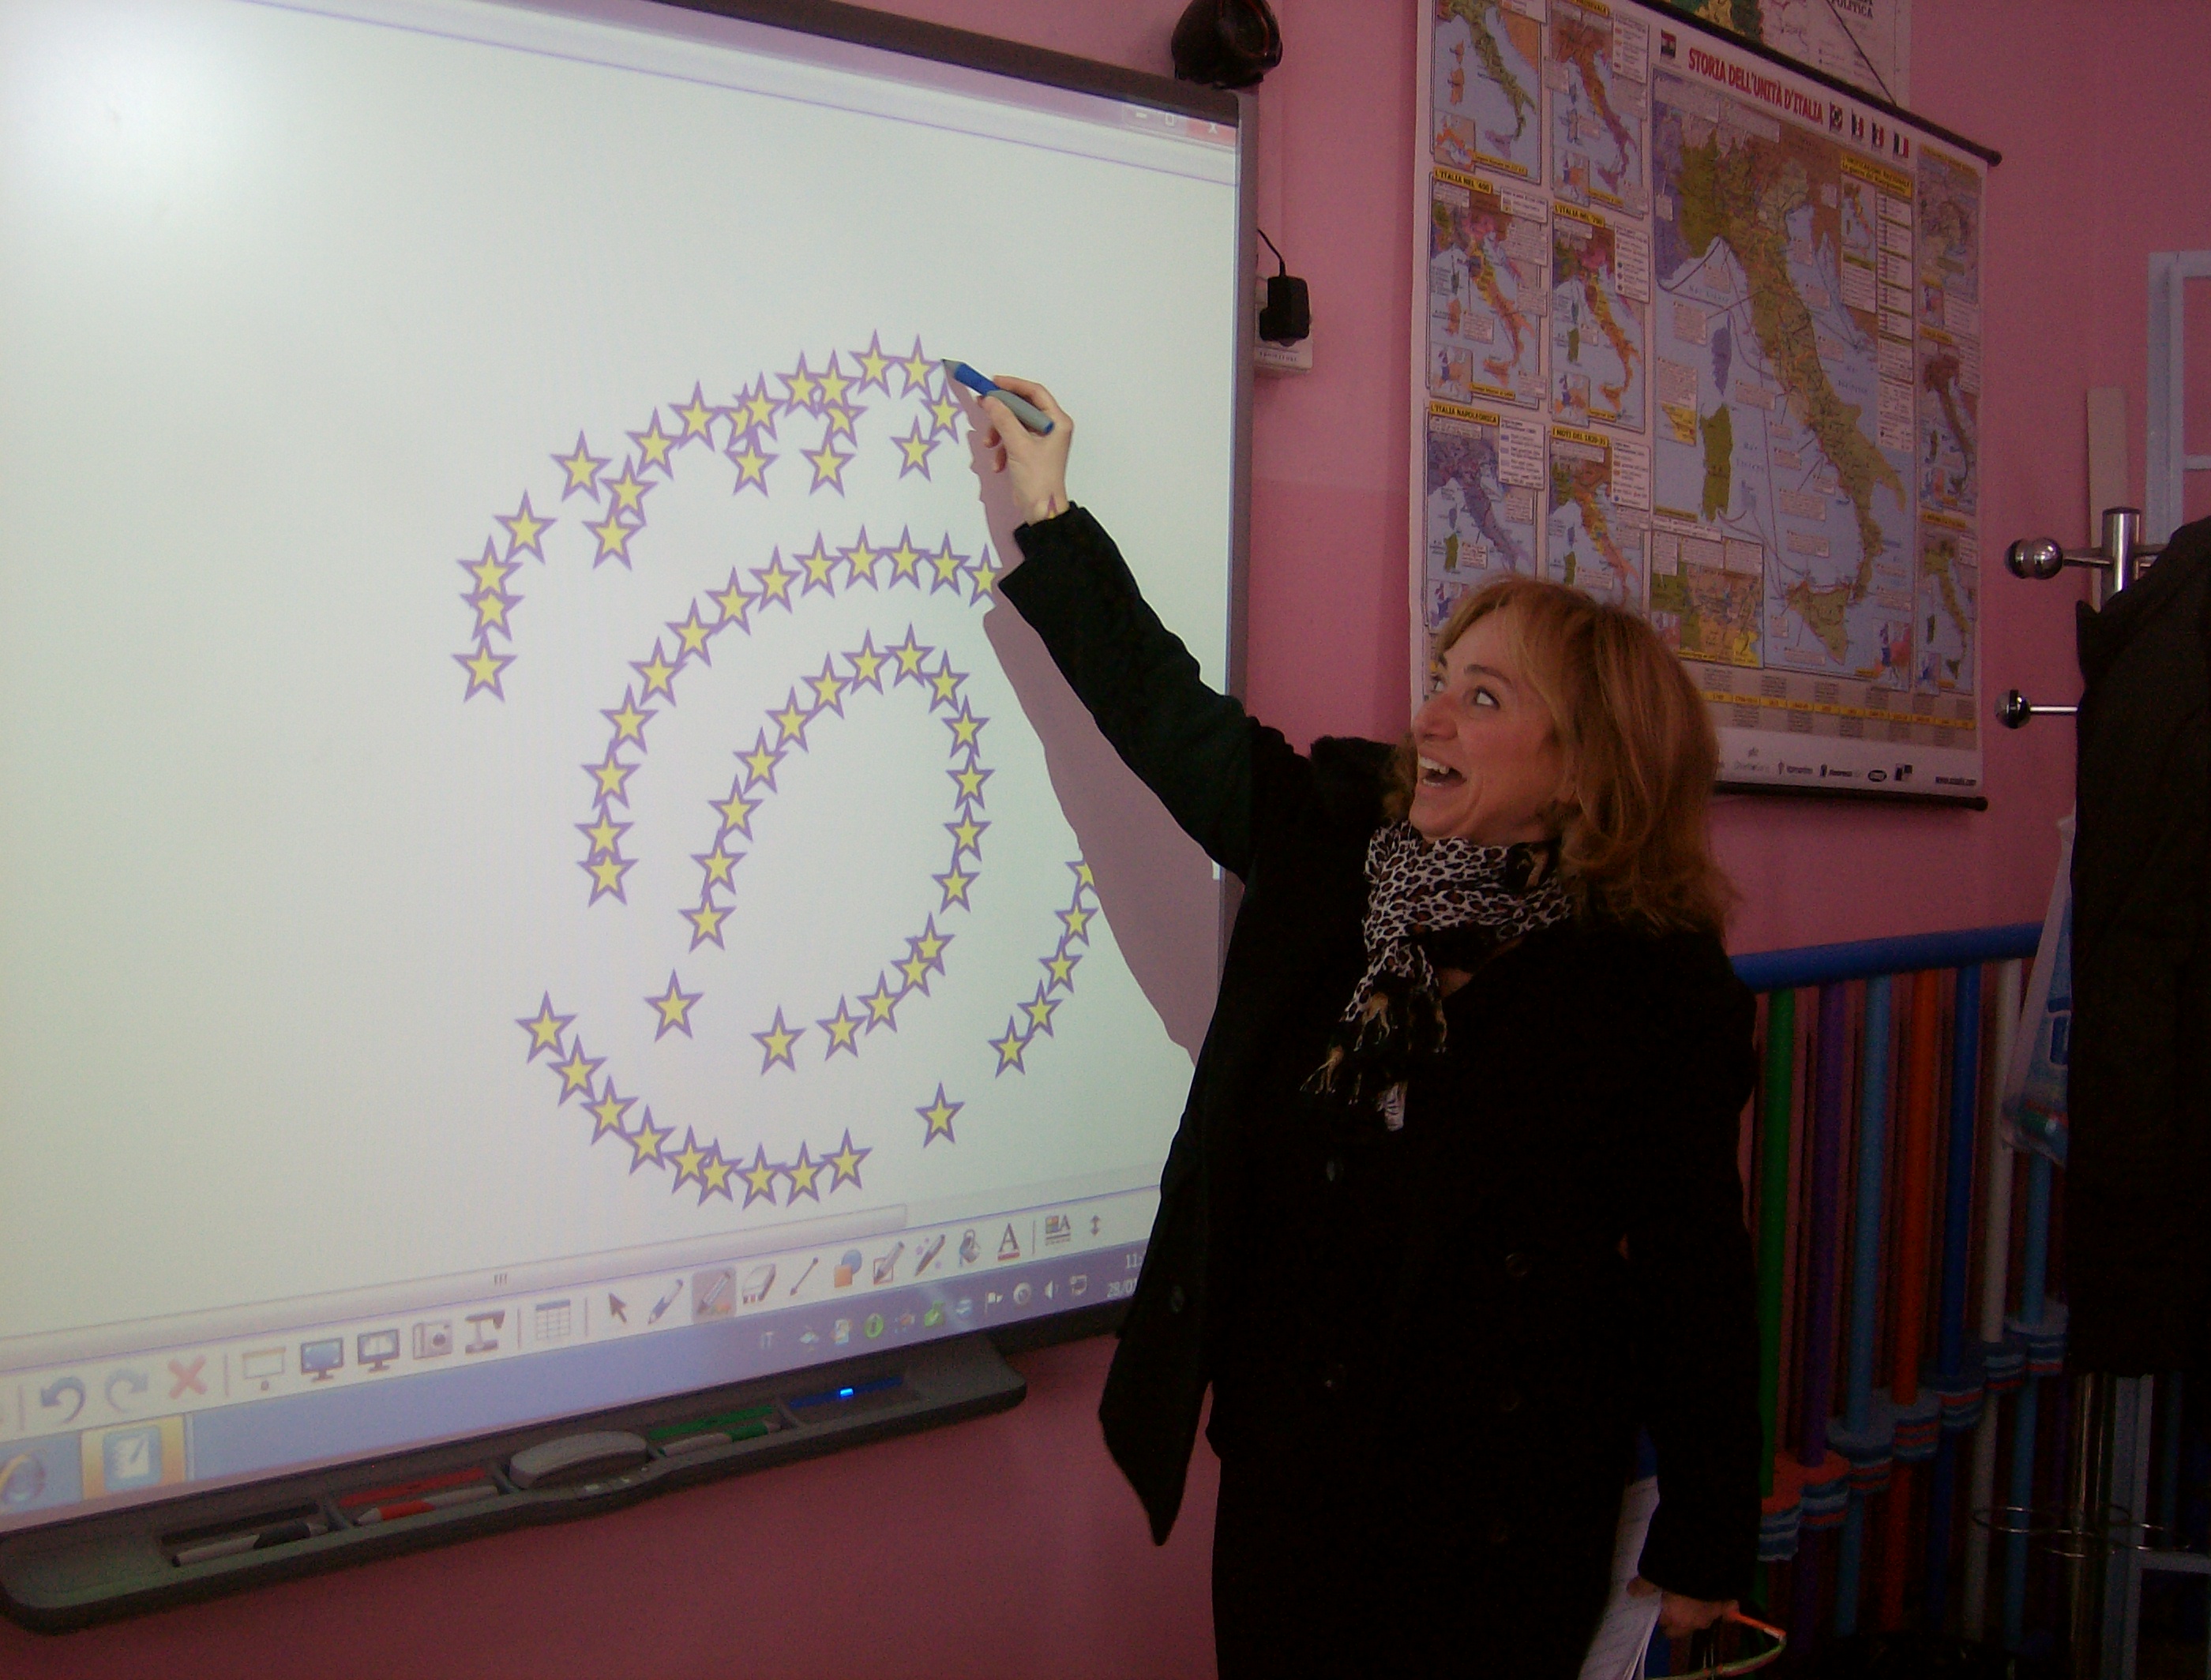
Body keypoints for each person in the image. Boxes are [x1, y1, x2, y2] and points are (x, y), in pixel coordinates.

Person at [978, 377, 1761, 1678]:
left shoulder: (1654, 990)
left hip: (1498, 1526)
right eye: (1442, 680)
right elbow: (1167, 715)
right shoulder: (1346, 848)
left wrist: (1707, 1536)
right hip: (1297, 1488)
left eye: (1487, 699)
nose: (1432, 716)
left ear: (1588, 764)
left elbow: (1697, 1277)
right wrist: (1047, 510)